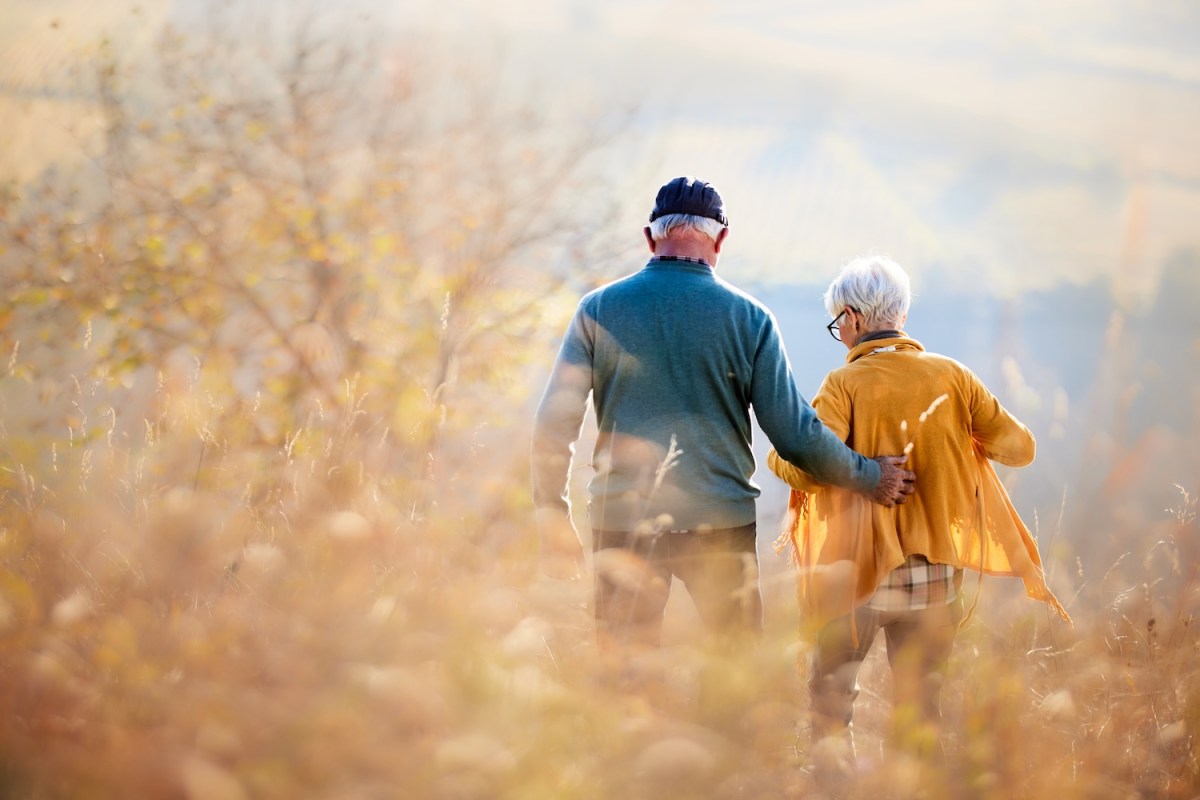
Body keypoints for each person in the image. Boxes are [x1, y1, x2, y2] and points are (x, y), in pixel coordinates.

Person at [530, 176, 916, 651]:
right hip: (720, 526)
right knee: (735, 672)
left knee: (621, 671)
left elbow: (554, 425)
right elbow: (795, 435)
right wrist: (869, 475)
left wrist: (552, 514)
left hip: (623, 519)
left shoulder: (598, 310)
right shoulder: (750, 319)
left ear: (651, 237)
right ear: (722, 239)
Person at [767, 254, 1071, 759]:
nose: (839, 334)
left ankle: (834, 790)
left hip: (855, 577)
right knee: (919, 709)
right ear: (900, 317)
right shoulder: (954, 377)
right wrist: (963, 439)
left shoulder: (843, 386)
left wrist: (780, 454)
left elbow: (807, 468)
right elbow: (1021, 448)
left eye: (837, 323)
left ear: (854, 320)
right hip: (934, 580)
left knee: (830, 704)